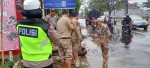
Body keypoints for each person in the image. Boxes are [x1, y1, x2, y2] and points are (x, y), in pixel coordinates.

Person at [16, 0, 60, 68]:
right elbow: (56, 38)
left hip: (27, 62)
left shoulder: (19, 24)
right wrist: (50, 27)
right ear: (38, 11)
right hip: (44, 62)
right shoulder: (44, 26)